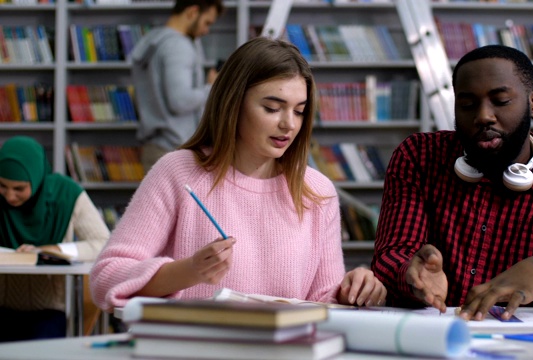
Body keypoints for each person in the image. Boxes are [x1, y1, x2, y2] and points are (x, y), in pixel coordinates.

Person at [90, 37, 387, 311]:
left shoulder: (318, 190)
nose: (289, 124)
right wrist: (189, 271)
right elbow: (106, 278)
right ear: (234, 104)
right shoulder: (178, 172)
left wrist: (352, 290)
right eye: (272, 108)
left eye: (299, 111)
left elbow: (323, 302)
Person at [371, 45, 533, 321]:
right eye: (467, 104)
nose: (483, 116)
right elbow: (391, 256)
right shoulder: (419, 158)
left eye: (500, 101)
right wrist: (411, 275)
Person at [0, 136, 110, 341]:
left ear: (36, 178)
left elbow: (103, 243)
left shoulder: (66, 194)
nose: (9, 196)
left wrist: (53, 250)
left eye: (19, 189)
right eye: (3, 186)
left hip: (49, 312)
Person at [132, 0, 225, 173]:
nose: (206, 30)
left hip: (156, 146)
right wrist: (212, 88)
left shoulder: (153, 40)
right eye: (207, 22)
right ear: (192, 12)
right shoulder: (178, 46)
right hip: (173, 147)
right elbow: (180, 101)